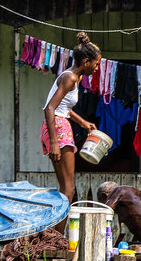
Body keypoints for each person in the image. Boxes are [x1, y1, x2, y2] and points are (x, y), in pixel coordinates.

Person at [41, 32, 101, 203]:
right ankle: (56, 231)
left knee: (66, 189)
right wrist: (54, 142)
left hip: (57, 125)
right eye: (96, 64)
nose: (97, 68)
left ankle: (55, 230)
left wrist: (83, 122)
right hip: (57, 128)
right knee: (68, 190)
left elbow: (63, 107)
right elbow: (49, 108)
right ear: (85, 61)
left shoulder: (76, 76)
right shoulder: (70, 77)